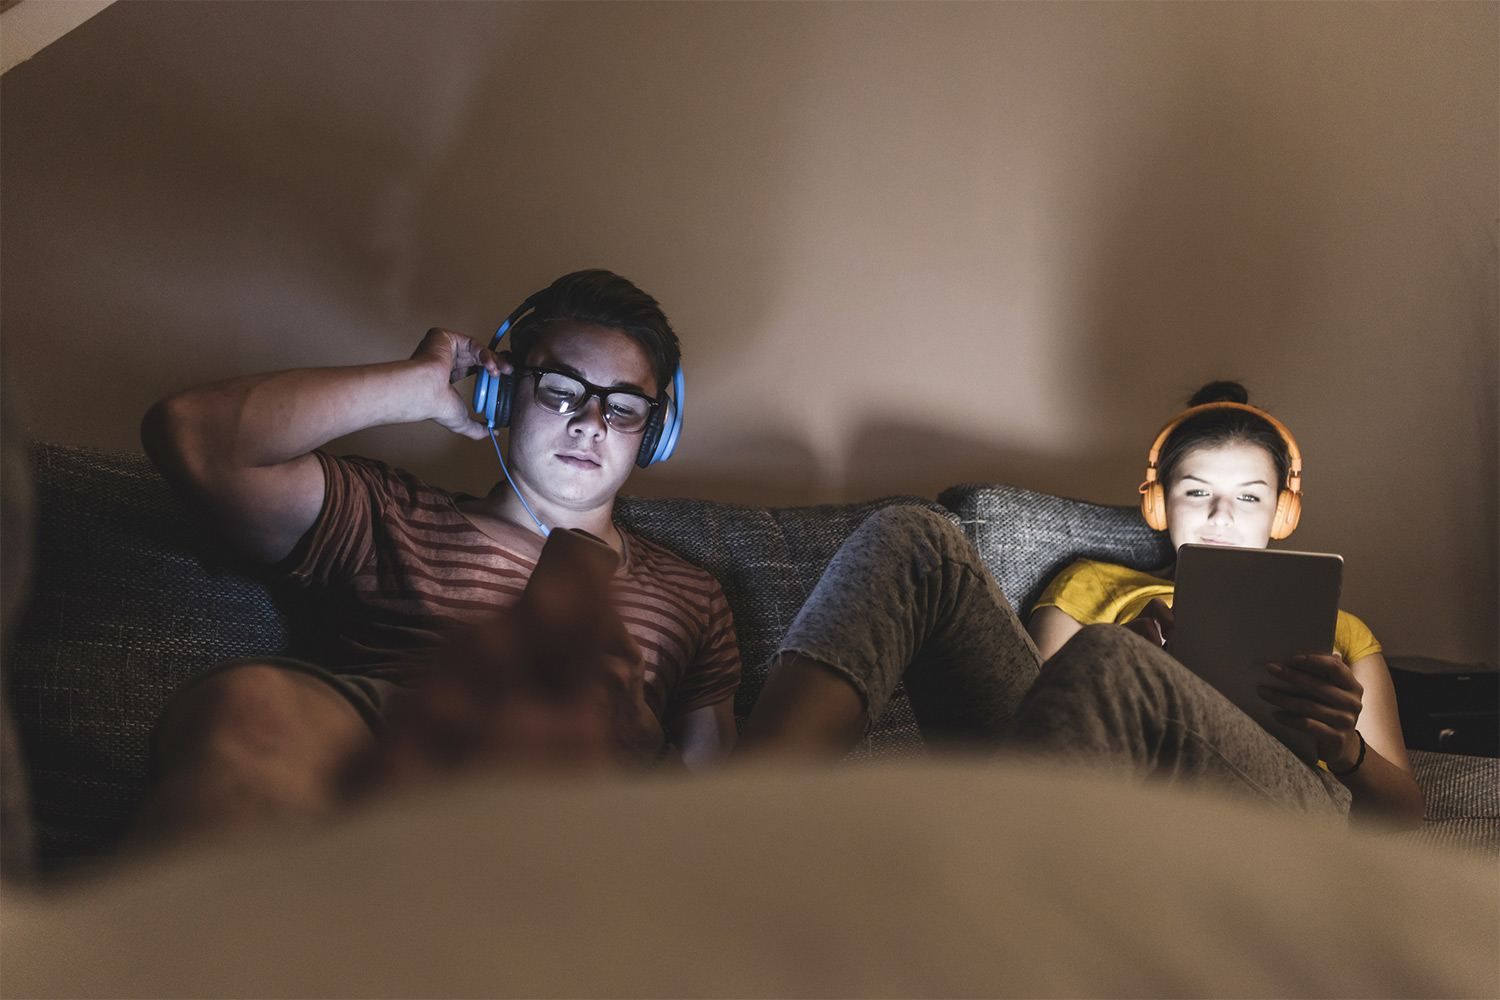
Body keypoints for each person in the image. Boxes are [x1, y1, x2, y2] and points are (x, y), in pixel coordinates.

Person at [135, 269, 741, 843]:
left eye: (623, 407)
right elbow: (192, 436)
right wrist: (412, 387)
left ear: (654, 433)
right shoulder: (389, 513)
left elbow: (727, 824)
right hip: (383, 772)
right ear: (502, 395)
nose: (590, 422)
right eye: (560, 391)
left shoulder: (693, 595)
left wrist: (641, 747)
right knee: (254, 706)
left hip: (575, 817)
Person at [738, 382, 1423, 827]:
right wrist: (1153, 676)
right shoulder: (1095, 585)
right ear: (1157, 503)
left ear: (1282, 512)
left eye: (1248, 496)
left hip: (1271, 808)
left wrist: (1345, 746)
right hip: (1085, 796)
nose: (1221, 514)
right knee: (915, 535)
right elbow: (1032, 723)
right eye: (1195, 492)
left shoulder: (1337, 627)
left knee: (1111, 654)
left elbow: (1404, 813)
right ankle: (744, 815)